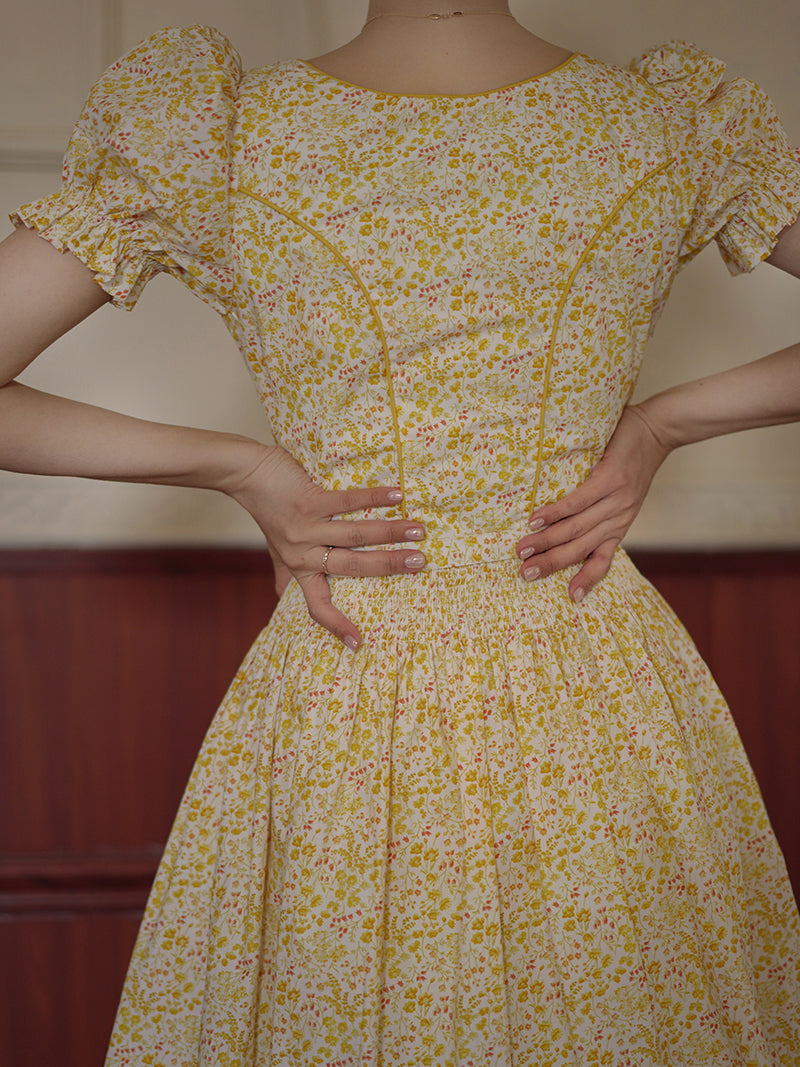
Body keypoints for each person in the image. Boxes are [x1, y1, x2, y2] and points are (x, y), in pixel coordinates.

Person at [2, 1, 799, 1062]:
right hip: (589, 680)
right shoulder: (654, 122)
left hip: (351, 682)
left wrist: (241, 467)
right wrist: (659, 425)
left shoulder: (229, 132)